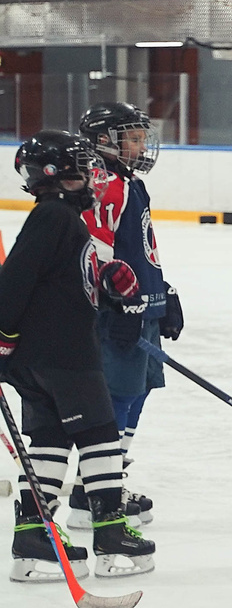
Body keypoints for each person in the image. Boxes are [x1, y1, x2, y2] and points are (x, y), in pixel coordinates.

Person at [0, 132, 152, 583]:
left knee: (48, 442)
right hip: (64, 355)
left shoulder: (63, 220)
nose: (91, 176)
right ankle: (109, 534)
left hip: (43, 356)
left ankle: (33, 537)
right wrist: (3, 336)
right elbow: (14, 281)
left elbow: (61, 281)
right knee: (101, 436)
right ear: (56, 174)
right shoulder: (54, 217)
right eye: (81, 168)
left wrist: (107, 283)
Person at [78, 100, 176, 526]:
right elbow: (98, 254)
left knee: (139, 390)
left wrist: (163, 292)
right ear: (104, 141)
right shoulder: (103, 186)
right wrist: (118, 303)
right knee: (117, 394)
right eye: (131, 137)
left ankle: (112, 478)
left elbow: (141, 247)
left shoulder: (128, 181)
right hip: (121, 311)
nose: (140, 145)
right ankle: (93, 493)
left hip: (144, 305)